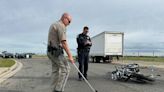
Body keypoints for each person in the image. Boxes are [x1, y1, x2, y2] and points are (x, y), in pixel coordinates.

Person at [47, 13, 74, 92]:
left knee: (55, 70)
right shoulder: (61, 26)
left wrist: (60, 45)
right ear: (64, 18)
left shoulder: (54, 24)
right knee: (66, 69)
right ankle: (58, 90)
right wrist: (70, 56)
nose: (69, 24)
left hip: (51, 52)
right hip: (56, 52)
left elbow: (56, 40)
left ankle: (53, 89)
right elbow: (64, 42)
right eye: (69, 22)